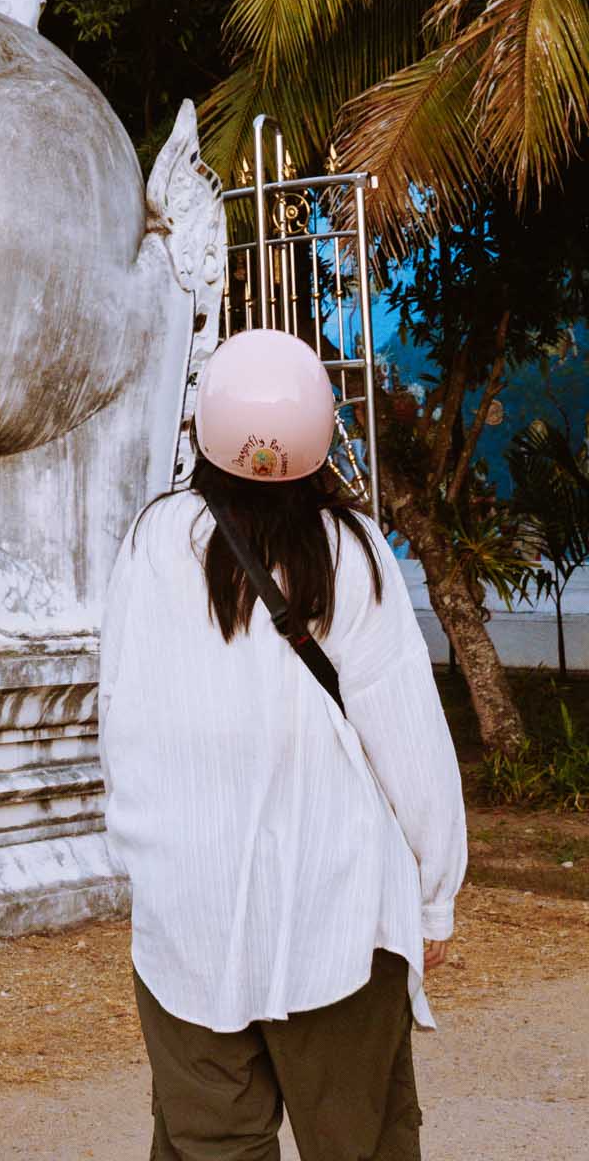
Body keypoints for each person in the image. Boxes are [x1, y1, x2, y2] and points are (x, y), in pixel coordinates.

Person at [99, 327, 466, 1160]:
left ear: (204, 427)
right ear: (322, 434)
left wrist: (142, 852)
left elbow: (118, 711)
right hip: (337, 905)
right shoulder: (351, 553)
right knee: (360, 1140)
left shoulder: (154, 542)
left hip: (188, 910)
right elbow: (408, 734)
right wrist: (434, 893)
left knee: (210, 1143)